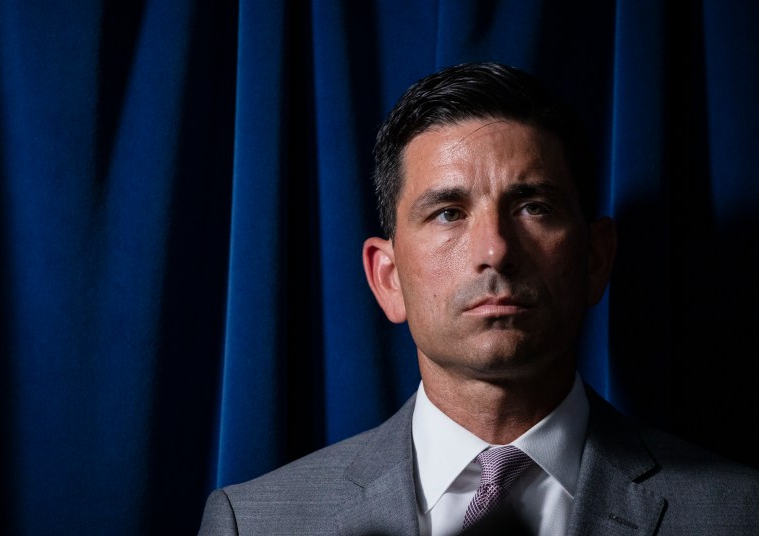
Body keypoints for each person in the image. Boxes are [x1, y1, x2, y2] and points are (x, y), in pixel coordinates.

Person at [197, 62, 759, 536]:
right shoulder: (254, 523)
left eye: (533, 207)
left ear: (594, 259)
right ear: (388, 278)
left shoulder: (738, 514)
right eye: (448, 212)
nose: (494, 249)